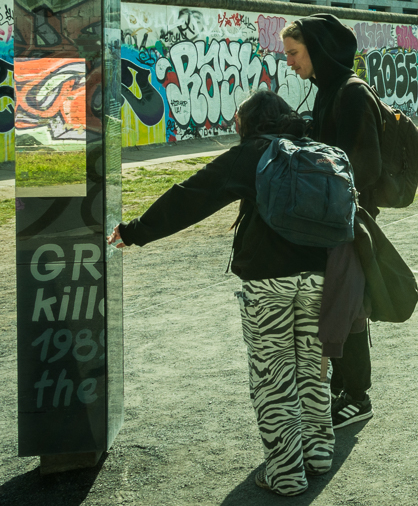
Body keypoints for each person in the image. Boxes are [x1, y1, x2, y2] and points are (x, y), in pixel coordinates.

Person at [107, 89, 332, 497]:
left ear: (249, 124)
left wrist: (136, 231)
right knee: (313, 366)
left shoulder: (254, 154)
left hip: (269, 280)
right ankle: (317, 454)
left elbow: (193, 196)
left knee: (274, 373)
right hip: (322, 275)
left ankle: (285, 472)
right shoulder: (315, 147)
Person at [281, 14, 384, 430]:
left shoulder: (352, 93)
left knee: (348, 309)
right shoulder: (328, 90)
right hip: (330, 218)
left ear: (317, 50)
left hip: (346, 220)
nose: (289, 62)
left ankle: (357, 396)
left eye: (294, 53)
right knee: (337, 307)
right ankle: (345, 387)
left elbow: (367, 165)